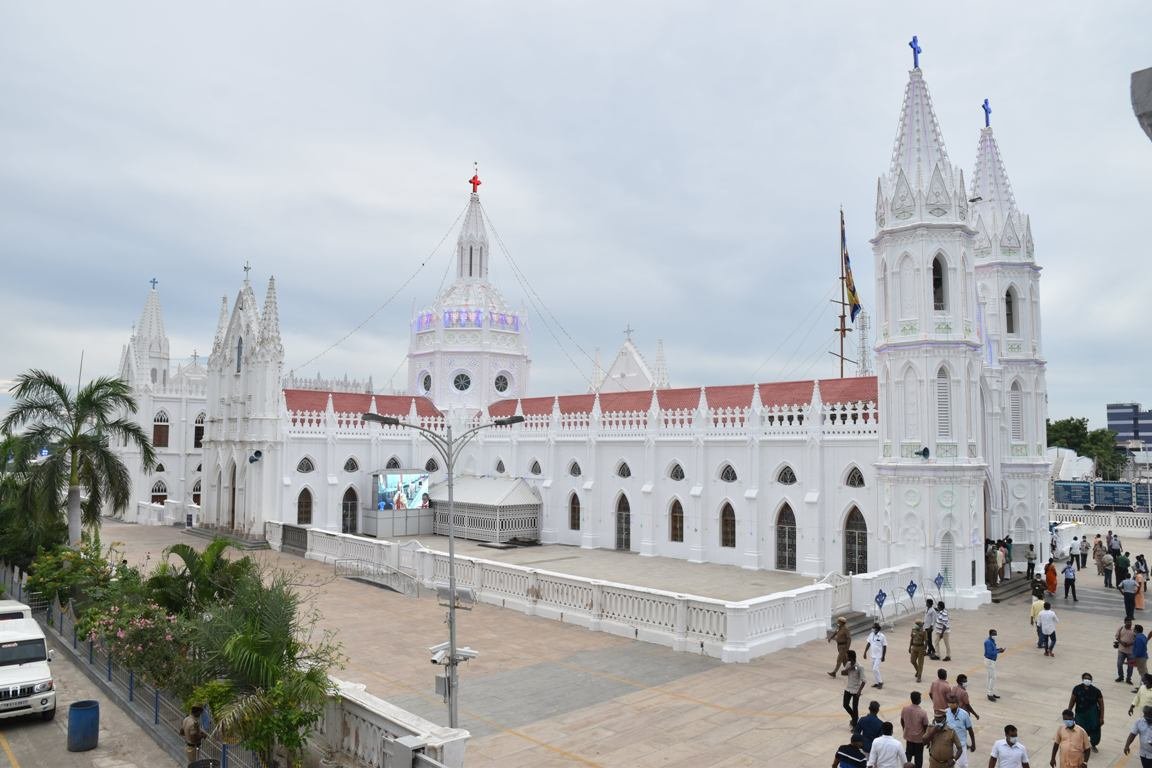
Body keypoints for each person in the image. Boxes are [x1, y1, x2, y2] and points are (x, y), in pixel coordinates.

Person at [1068, 673, 1104, 753]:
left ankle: (1093, 745)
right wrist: (1069, 712)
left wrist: (1101, 717)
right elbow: (1072, 700)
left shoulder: (1096, 691)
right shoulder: (1077, 689)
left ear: (1091, 680)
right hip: (1080, 714)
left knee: (1095, 730)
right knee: (1079, 731)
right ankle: (1082, 746)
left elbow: (1101, 704)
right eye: (1085, 678)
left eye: (1089, 679)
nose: (1087, 680)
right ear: (1082, 679)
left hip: (1093, 715)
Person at [944, 694, 975, 768]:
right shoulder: (945, 713)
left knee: (963, 765)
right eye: (949, 702)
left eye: (953, 703)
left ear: (957, 703)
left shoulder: (964, 714)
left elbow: (970, 729)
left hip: (961, 744)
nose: (951, 704)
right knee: (949, 764)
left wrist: (973, 743)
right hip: (948, 744)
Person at [901, 691, 930, 768]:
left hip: (909, 737)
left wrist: (905, 729)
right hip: (919, 739)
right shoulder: (922, 712)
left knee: (908, 755)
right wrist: (926, 738)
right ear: (919, 700)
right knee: (918, 757)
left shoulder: (905, 709)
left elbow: (902, 720)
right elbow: (926, 726)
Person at [844, 650, 866, 728]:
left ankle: (855, 724)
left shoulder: (860, 667)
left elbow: (864, 681)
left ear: (850, 657)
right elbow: (843, 673)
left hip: (856, 690)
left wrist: (859, 691)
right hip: (848, 688)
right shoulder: (848, 664)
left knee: (855, 707)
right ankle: (855, 718)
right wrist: (850, 668)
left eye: (847, 656)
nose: (846, 657)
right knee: (845, 705)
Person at [984, 629, 1005, 702]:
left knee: (990, 677)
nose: (995, 636)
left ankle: (991, 693)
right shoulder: (988, 642)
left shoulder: (992, 641)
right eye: (993, 634)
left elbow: (993, 649)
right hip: (989, 661)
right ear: (990, 634)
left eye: (996, 634)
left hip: (992, 661)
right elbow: (990, 653)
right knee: (993, 677)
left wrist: (998, 649)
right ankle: (989, 694)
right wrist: (999, 651)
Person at [866, 622, 888, 689]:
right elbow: (869, 643)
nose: (872, 629)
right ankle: (877, 682)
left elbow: (884, 646)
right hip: (872, 655)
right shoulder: (871, 634)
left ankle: (880, 682)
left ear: (877, 629)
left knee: (875, 669)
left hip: (879, 656)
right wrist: (865, 652)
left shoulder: (882, 636)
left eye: (873, 627)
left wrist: (883, 656)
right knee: (873, 669)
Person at [1120, 618, 1139, 684]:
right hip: (1121, 650)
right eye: (1128, 622)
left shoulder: (1134, 630)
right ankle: (1120, 677)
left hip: (1131, 652)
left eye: (1130, 622)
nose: (1129, 623)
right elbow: (1117, 637)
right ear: (1124, 622)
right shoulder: (1121, 628)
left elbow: (1137, 640)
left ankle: (1128, 679)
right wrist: (1122, 643)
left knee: (1130, 666)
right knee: (1119, 664)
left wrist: (1129, 644)